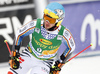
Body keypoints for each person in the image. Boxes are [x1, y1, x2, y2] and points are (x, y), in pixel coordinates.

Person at [7, 2, 75, 74]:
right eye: (46, 17)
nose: (47, 22)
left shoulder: (63, 33)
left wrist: (59, 64)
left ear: (58, 21)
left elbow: (71, 47)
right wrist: (15, 54)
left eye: (51, 20)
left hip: (45, 62)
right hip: (28, 55)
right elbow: (19, 34)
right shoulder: (36, 24)